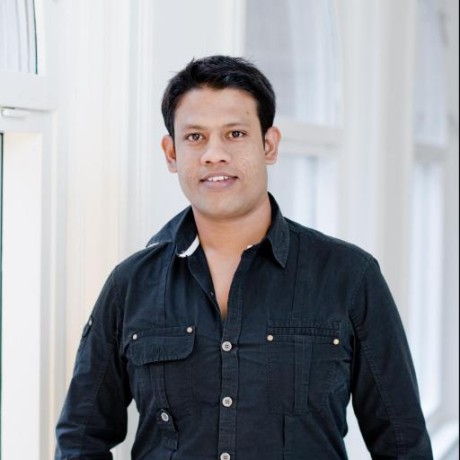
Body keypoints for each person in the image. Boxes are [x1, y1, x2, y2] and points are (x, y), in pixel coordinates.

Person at [55, 55, 433, 459]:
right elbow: (80, 439)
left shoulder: (349, 276)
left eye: (235, 134)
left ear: (269, 144)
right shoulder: (130, 285)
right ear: (171, 153)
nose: (214, 154)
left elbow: (403, 445)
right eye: (195, 137)